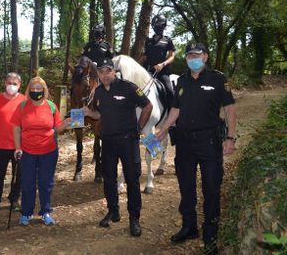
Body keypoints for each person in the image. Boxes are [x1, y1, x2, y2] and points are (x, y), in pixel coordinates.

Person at [156, 43, 236, 255]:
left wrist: (230, 137)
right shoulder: (181, 81)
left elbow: (229, 109)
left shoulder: (218, 79)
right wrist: (163, 129)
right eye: (190, 55)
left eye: (196, 55)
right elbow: (175, 108)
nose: (193, 58)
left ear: (205, 57)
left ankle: (211, 235)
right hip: (184, 142)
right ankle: (189, 227)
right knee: (186, 186)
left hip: (209, 141)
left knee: (211, 188)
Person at [84, 57, 153, 237]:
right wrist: (88, 112)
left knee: (131, 179)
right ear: (98, 73)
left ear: (114, 71)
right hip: (107, 141)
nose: (105, 75)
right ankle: (113, 211)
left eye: (108, 71)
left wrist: (138, 128)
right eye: (101, 71)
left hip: (128, 141)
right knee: (109, 179)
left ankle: (134, 218)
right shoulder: (98, 92)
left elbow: (147, 106)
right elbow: (99, 114)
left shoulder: (129, 88)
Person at [12, 76, 70, 226]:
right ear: (29, 89)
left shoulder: (51, 106)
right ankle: (26, 213)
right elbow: (16, 127)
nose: (36, 91)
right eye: (33, 88)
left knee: (46, 182)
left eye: (39, 89)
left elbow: (57, 128)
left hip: (48, 151)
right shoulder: (23, 106)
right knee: (28, 183)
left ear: (44, 90)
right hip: (27, 151)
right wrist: (17, 147)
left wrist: (67, 123)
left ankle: (45, 212)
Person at [0, 72, 26, 213]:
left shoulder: (25, 101)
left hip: (19, 145)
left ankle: (15, 200)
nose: (11, 86)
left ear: (19, 85)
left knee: (19, 175)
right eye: (9, 83)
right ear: (4, 83)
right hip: (1, 144)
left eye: (15, 84)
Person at [141, 14, 176, 108]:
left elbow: (172, 56)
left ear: (164, 26)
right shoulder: (148, 41)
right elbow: (144, 57)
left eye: (160, 25)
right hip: (148, 71)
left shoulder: (167, 40)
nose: (158, 27)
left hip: (162, 72)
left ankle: (172, 117)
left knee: (170, 91)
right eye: (156, 25)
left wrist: (163, 64)